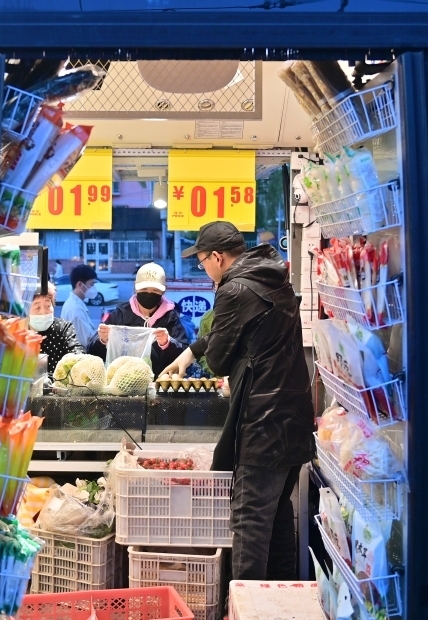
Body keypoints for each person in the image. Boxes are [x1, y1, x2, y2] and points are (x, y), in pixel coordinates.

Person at [161, 221, 314, 582]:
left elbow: (218, 360)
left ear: (217, 257)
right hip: (292, 419)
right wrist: (186, 356)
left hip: (262, 422)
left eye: (202, 262)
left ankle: (245, 605)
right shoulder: (272, 277)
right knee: (275, 518)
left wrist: (200, 355)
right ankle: (275, 602)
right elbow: (234, 331)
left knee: (248, 523)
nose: (204, 269)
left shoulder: (232, 289)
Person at [88, 262, 188, 379]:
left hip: (160, 386)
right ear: (135, 287)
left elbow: (185, 356)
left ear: (164, 290)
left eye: (155, 290)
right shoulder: (120, 314)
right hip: (122, 386)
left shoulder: (171, 318)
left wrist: (168, 343)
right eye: (144, 289)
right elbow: (92, 353)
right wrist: (102, 341)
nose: (149, 294)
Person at [28, 282, 84, 379]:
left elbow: (77, 354)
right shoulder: (19, 331)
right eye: (37, 307)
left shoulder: (63, 328)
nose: (43, 312)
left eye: (47, 306)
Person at [60, 264, 98, 348]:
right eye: (91, 284)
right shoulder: (75, 308)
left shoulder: (76, 303)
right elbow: (87, 341)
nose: (94, 288)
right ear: (80, 284)